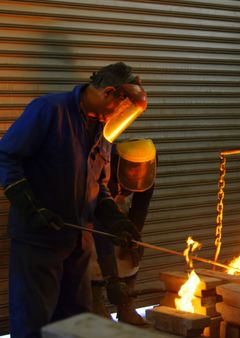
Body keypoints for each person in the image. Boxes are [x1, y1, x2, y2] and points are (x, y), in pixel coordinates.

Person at [0, 62, 147, 338]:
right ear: (109, 94)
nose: (118, 118)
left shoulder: (102, 131)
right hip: (39, 243)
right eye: (121, 110)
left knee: (75, 325)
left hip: (78, 246)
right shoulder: (49, 111)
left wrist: (116, 222)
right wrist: (30, 207)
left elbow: (98, 187)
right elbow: (7, 156)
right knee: (35, 325)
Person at [90, 139, 156, 325]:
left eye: (141, 168)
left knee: (128, 252)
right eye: (132, 168)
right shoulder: (103, 168)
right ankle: (96, 305)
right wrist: (111, 275)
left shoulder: (147, 172)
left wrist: (134, 237)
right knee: (94, 256)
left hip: (119, 211)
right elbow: (99, 221)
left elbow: (141, 206)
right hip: (93, 212)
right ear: (118, 163)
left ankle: (126, 307)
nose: (137, 172)